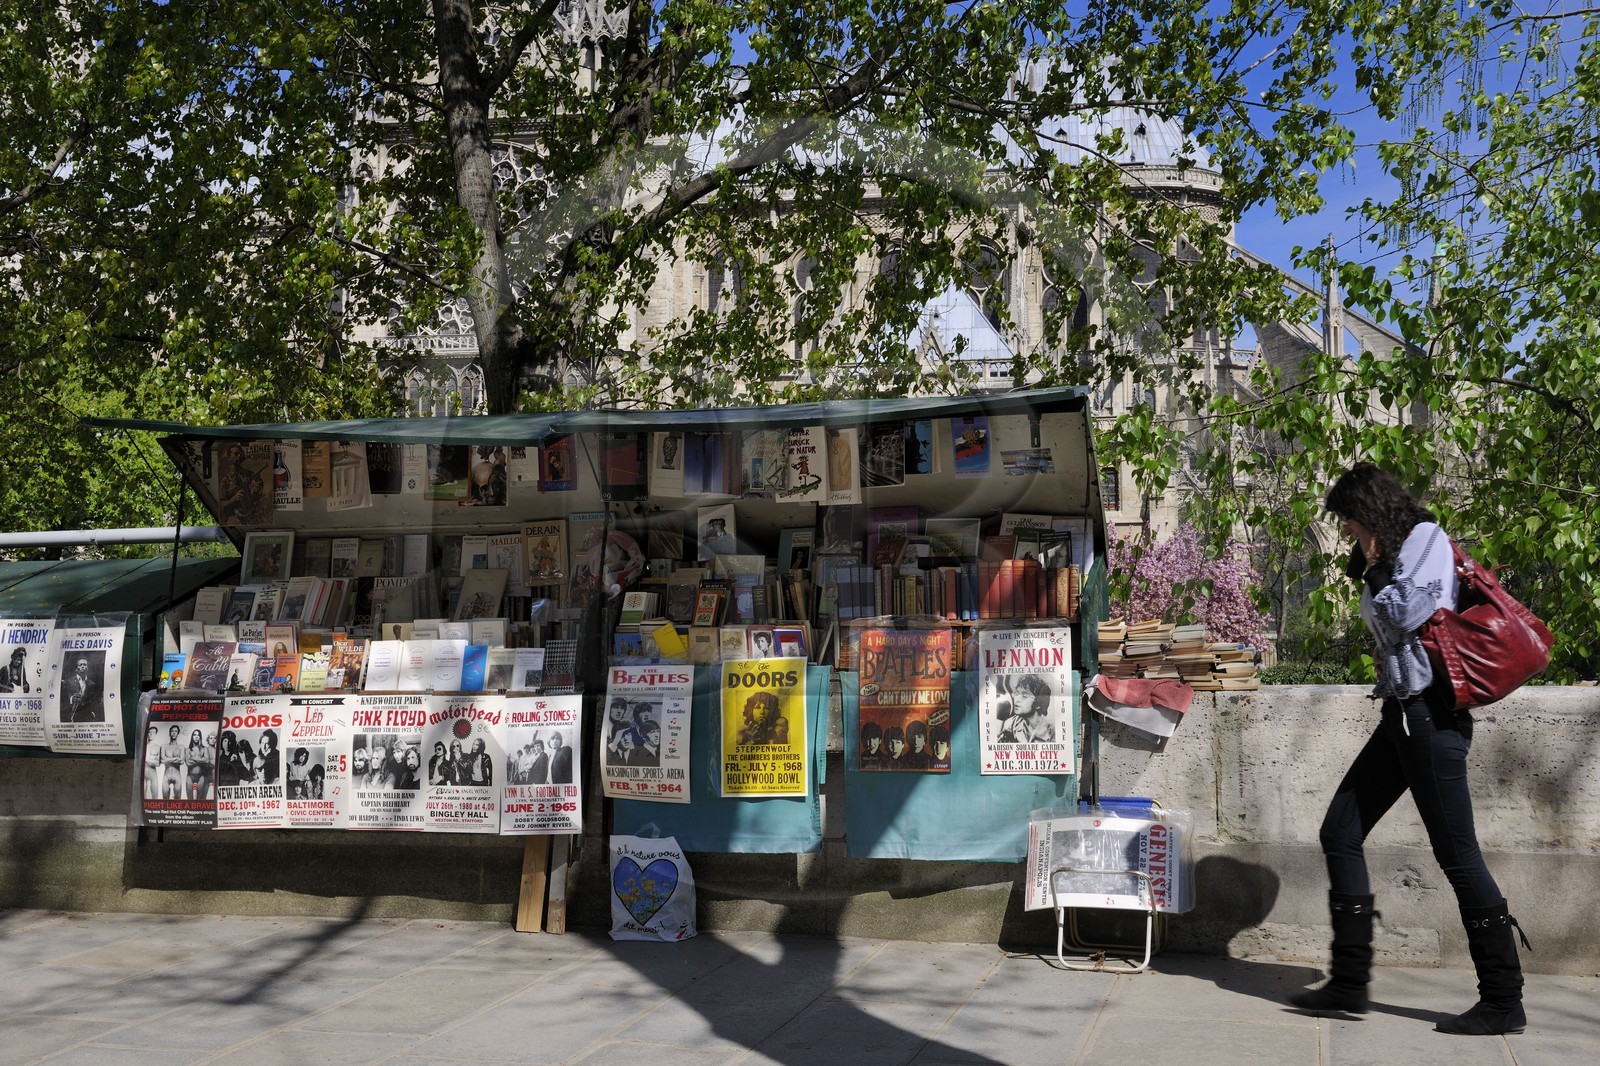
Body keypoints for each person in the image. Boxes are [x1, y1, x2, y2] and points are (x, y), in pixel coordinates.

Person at [1288, 463, 1528, 1036]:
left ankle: (1502, 999)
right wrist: (1372, 565)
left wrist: (1373, 568)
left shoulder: (1427, 539)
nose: (1347, 533)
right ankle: (1348, 983)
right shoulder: (1391, 555)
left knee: (1459, 857)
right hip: (1400, 713)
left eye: (1349, 522)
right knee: (1340, 831)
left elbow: (1407, 611)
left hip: (1431, 720)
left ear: (1368, 510)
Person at [997, 675, 1054, 744]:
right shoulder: (1011, 724)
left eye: (1024, 695)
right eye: (1017, 693)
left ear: (1038, 703)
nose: (1017, 699)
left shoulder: (1053, 731)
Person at [185, 729, 213, 800]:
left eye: (198, 735)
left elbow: (207, 760)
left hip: (201, 776)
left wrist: (193, 758)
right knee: (190, 799)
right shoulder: (188, 749)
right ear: (192, 737)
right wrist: (201, 758)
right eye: (194, 735)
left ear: (200, 737)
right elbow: (188, 763)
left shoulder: (204, 749)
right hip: (190, 776)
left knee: (200, 799)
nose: (196, 737)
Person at [159, 725, 186, 798]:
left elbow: (182, 761)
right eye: (172, 731)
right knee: (165, 799)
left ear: (178, 734)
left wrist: (167, 759)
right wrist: (176, 758)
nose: (174, 733)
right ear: (169, 733)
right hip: (166, 775)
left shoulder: (181, 747)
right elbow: (162, 760)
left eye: (175, 731)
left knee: (177, 799)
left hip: (177, 775)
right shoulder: (164, 746)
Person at [142, 724, 162, 798]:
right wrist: (152, 759)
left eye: (153, 732)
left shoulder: (158, 747)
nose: (151, 734)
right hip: (143, 772)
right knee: (142, 795)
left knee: (155, 795)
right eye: (149, 732)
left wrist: (147, 760)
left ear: (156, 734)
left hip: (152, 773)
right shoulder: (143, 746)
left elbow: (158, 763)